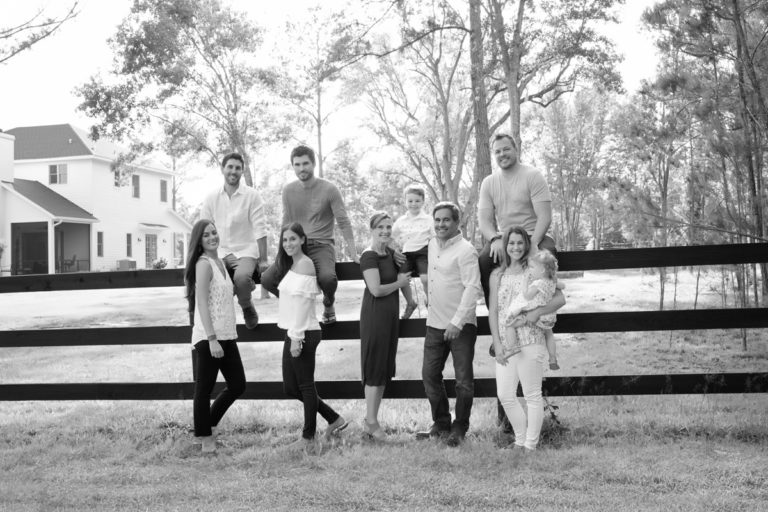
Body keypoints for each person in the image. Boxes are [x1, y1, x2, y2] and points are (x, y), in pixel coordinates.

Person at [261, 145, 358, 325]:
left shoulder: (330, 189)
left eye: (305, 163)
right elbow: (286, 222)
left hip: (322, 245)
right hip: (296, 246)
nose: (301, 168)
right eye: (297, 164)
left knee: (328, 279)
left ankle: (329, 304)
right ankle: (298, 306)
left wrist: (353, 252)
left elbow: (343, 221)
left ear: (313, 164)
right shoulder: (288, 190)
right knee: (267, 279)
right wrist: (282, 250)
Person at [489, 227, 566, 451]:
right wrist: (497, 342)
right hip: (507, 339)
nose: (515, 247)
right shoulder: (497, 275)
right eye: (511, 243)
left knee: (532, 393)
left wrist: (535, 314)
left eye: (520, 243)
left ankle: (529, 445)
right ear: (505, 246)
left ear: (526, 244)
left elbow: (560, 298)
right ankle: (520, 439)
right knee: (505, 394)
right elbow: (494, 311)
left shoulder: (534, 269)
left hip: (531, 337)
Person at [275, 222, 348, 451]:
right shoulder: (293, 264)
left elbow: (304, 305)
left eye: (293, 239)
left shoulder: (306, 264)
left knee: (305, 385)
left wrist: (297, 337)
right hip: (294, 331)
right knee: (291, 387)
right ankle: (334, 418)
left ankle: (308, 438)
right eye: (285, 240)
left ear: (303, 240)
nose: (289, 243)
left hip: (304, 331)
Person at [416, 202, 482, 447]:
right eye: (437, 220)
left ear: (457, 223)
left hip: (461, 326)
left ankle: (460, 426)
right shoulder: (433, 244)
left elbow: (472, 288)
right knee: (429, 375)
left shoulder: (466, 251)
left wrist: (456, 322)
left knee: (463, 380)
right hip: (434, 323)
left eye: (446, 220)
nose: (440, 224)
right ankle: (441, 423)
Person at [184, 219, 246, 453]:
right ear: (199, 241)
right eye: (206, 235)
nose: (212, 237)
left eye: (214, 232)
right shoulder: (203, 264)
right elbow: (201, 302)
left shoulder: (220, 262)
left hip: (227, 333)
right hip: (209, 336)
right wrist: (211, 339)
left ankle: (206, 424)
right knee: (204, 388)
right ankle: (205, 438)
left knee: (238, 384)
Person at [359, 212, 412, 441]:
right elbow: (376, 289)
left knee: (383, 369)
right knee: (374, 368)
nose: (385, 231)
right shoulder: (369, 256)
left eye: (389, 227)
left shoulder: (391, 253)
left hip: (390, 317)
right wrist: (400, 284)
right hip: (375, 316)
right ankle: (371, 422)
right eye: (380, 227)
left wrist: (410, 301)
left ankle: (372, 420)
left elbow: (403, 270)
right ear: (371, 229)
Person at [200, 152, 268, 329]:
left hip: (245, 251)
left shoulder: (252, 196)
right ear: (222, 169)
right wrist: (202, 258)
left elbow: (260, 228)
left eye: (238, 168)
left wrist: (264, 260)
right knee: (214, 282)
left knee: (242, 279)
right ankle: (217, 322)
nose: (233, 171)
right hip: (219, 252)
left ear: (242, 171)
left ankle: (246, 306)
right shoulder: (211, 197)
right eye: (230, 167)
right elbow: (202, 229)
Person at [501, 249, 560, 370]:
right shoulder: (552, 281)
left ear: (542, 270)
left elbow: (527, 295)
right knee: (549, 334)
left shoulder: (538, 283)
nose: (530, 270)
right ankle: (553, 358)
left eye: (532, 267)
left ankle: (513, 348)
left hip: (535, 315)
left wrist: (525, 282)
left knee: (509, 325)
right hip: (548, 317)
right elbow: (562, 285)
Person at [391, 184, 433, 319]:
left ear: (423, 201)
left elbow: (434, 237)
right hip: (407, 253)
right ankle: (411, 303)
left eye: (417, 201)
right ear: (405, 202)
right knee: (401, 279)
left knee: (425, 278)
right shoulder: (401, 221)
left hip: (423, 252)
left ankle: (430, 302)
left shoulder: (428, 219)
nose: (413, 204)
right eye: (410, 201)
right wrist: (394, 250)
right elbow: (391, 236)